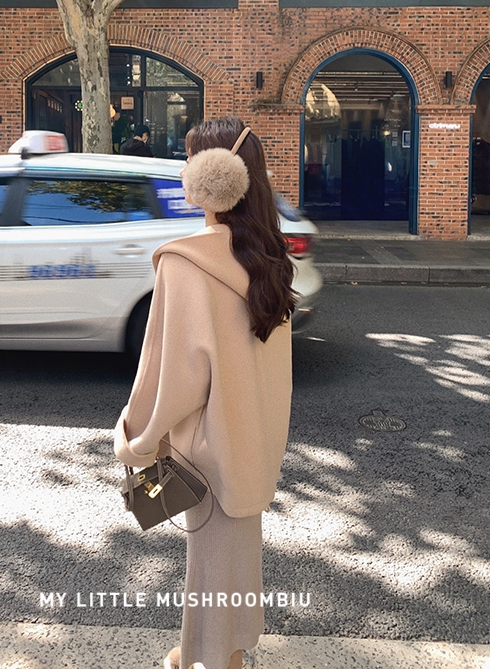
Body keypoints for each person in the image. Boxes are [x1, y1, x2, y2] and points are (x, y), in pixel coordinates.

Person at [114, 117, 295, 669]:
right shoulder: (268, 258)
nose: (184, 172)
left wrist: (136, 440)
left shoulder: (185, 262)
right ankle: (215, 652)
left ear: (212, 176)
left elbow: (168, 374)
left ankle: (218, 660)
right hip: (255, 443)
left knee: (214, 562)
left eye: (190, 160)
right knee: (233, 558)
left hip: (208, 452)